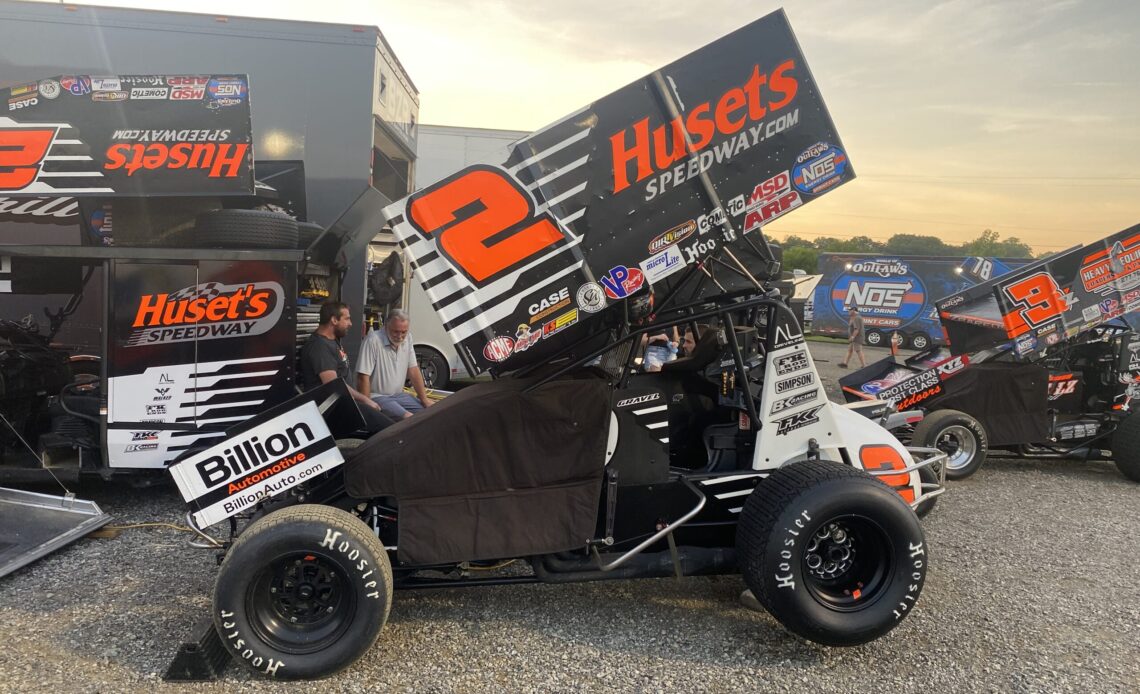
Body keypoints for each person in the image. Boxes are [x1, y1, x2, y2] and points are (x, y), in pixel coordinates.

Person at [299, 301, 394, 434]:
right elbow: (334, 385)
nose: (350, 323)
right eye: (347, 318)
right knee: (389, 430)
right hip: (334, 410)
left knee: (395, 420)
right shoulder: (319, 347)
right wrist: (365, 399)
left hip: (347, 403)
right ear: (334, 320)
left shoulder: (332, 340)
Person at [356, 309, 434, 419]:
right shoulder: (373, 340)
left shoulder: (408, 338)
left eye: (404, 332)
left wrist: (424, 399)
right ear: (386, 326)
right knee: (409, 418)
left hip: (399, 395)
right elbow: (363, 377)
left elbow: (413, 370)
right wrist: (366, 407)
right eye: (396, 331)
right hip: (377, 396)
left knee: (431, 413)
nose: (400, 336)